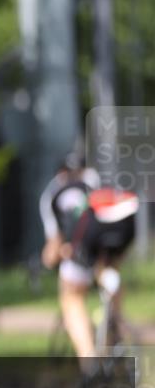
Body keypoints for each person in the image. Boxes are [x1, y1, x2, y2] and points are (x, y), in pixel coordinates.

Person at [39, 154, 138, 374]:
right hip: (124, 225)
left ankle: (90, 360)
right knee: (108, 271)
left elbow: (55, 246)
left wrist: (47, 260)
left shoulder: (53, 192)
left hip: (88, 235)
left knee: (72, 296)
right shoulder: (99, 177)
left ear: (61, 173)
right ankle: (113, 333)